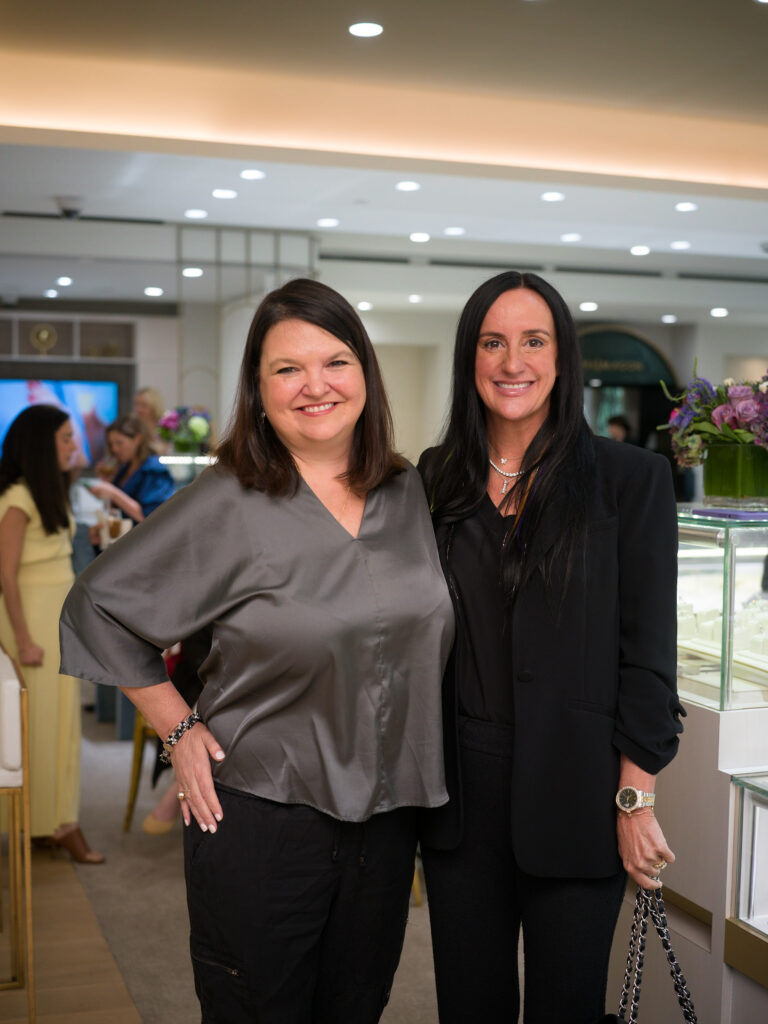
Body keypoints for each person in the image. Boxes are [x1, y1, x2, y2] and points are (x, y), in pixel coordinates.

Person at [60, 278, 454, 1023]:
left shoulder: (407, 493)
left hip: (387, 820)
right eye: (286, 369)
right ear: (259, 387)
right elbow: (98, 606)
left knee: (356, 1006)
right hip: (264, 816)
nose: (315, 386)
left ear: (364, 372)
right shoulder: (228, 499)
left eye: (335, 361)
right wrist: (176, 727)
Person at [418, 271, 684, 1024]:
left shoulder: (630, 480)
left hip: (579, 792)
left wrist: (636, 798)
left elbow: (648, 656)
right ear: (470, 359)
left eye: (534, 341)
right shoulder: (435, 479)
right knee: (470, 1007)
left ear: (562, 357)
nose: (513, 362)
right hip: (460, 797)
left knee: (568, 1006)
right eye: (492, 342)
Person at [0, 405, 104, 863]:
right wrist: (22, 639)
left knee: (60, 725)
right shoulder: (17, 498)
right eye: (64, 438)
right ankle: (56, 823)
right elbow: (4, 574)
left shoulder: (49, 492)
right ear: (42, 445)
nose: (72, 446)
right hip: (31, 625)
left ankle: (49, 821)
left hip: (54, 619)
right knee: (38, 726)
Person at [89, 414, 175, 523]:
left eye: (119, 443)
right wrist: (108, 484)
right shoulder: (125, 468)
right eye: (111, 444)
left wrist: (113, 493)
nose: (114, 449)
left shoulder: (154, 469)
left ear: (137, 439)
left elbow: (151, 517)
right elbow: (116, 510)